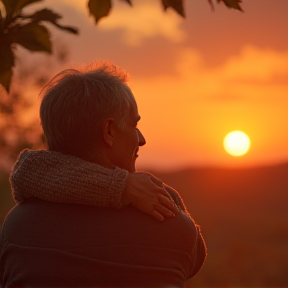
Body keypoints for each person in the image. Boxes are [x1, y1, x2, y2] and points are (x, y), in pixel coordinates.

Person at [0, 62, 207, 287]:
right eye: (133, 124)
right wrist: (128, 186)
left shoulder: (16, 229)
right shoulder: (170, 225)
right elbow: (196, 257)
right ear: (108, 131)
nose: (141, 139)